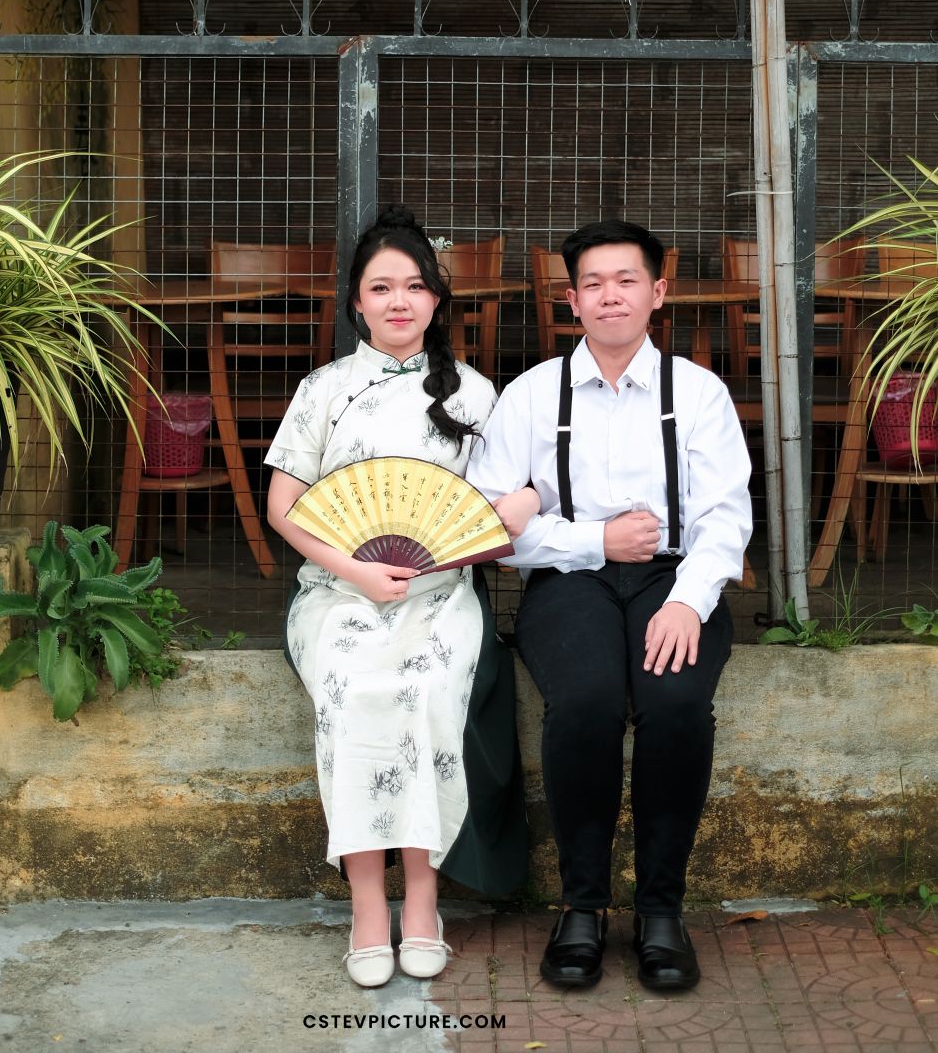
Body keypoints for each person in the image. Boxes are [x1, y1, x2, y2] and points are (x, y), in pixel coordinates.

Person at [467, 219, 751, 993]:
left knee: (676, 703)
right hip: (570, 580)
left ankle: (660, 911)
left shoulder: (698, 393)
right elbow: (491, 529)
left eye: (626, 280)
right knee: (586, 702)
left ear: (657, 293)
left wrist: (688, 602)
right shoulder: (530, 396)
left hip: (674, 577)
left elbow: (724, 519)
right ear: (571, 301)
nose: (609, 296)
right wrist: (594, 540)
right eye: (591, 283)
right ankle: (582, 908)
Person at [266, 206, 527, 989]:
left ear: (436, 300)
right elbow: (284, 508)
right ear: (355, 302)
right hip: (337, 592)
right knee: (351, 690)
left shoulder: (474, 394)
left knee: (425, 690)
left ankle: (421, 899)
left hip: (440, 595)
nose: (398, 302)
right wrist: (353, 571)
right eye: (380, 288)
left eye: (414, 286)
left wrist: (512, 510)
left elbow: (502, 504)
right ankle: (364, 907)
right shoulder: (324, 389)